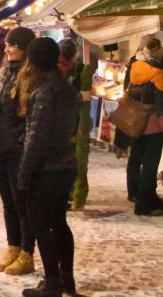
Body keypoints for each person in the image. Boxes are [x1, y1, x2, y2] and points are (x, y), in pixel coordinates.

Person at [15, 37, 80, 297]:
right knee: (59, 223)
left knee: (41, 225)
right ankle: (66, 280)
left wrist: (23, 175)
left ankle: (53, 283)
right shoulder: (65, 88)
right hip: (66, 165)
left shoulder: (43, 92)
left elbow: (36, 139)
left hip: (47, 169)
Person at [0, 27, 36, 275]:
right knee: (8, 202)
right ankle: (13, 247)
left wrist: (22, 142)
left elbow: (30, 116)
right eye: (6, 44)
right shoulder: (1, 73)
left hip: (19, 149)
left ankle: (27, 253)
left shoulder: (33, 76)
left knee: (22, 203)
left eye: (12, 45)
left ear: (25, 47)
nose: (7, 49)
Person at [127, 37, 163, 216]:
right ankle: (143, 205)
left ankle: (152, 200)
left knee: (141, 163)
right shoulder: (159, 76)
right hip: (154, 130)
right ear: (160, 53)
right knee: (150, 167)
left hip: (138, 125)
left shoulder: (136, 70)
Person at [68, 46, 97, 211]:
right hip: (74, 124)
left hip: (75, 124)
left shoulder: (72, 74)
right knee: (77, 158)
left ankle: (74, 192)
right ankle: (75, 192)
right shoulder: (72, 76)